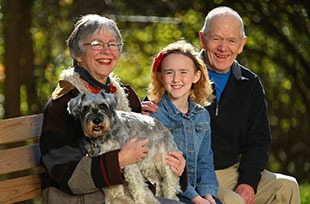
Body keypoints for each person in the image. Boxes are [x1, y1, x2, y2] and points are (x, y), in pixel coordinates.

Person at [142, 6, 300, 204]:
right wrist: (142, 110)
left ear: (241, 44)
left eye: (231, 40)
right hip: (190, 172)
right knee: (234, 201)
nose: (223, 48)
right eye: (216, 39)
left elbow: (259, 140)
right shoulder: (182, 73)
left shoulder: (249, 83)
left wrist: (248, 181)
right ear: (203, 39)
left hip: (232, 171)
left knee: (288, 186)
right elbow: (152, 105)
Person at [39, 14, 186, 204]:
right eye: (96, 44)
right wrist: (119, 160)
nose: (106, 51)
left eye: (113, 44)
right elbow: (66, 174)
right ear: (77, 53)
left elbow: (147, 160)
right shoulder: (63, 104)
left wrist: (177, 167)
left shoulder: (123, 96)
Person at [146, 40, 221, 204]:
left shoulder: (202, 116)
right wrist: (196, 199)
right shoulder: (154, 116)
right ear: (160, 76)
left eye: (183, 72)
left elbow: (205, 161)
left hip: (197, 193)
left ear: (196, 76)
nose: (176, 79)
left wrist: (208, 195)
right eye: (169, 72)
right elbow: (168, 168)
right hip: (169, 192)